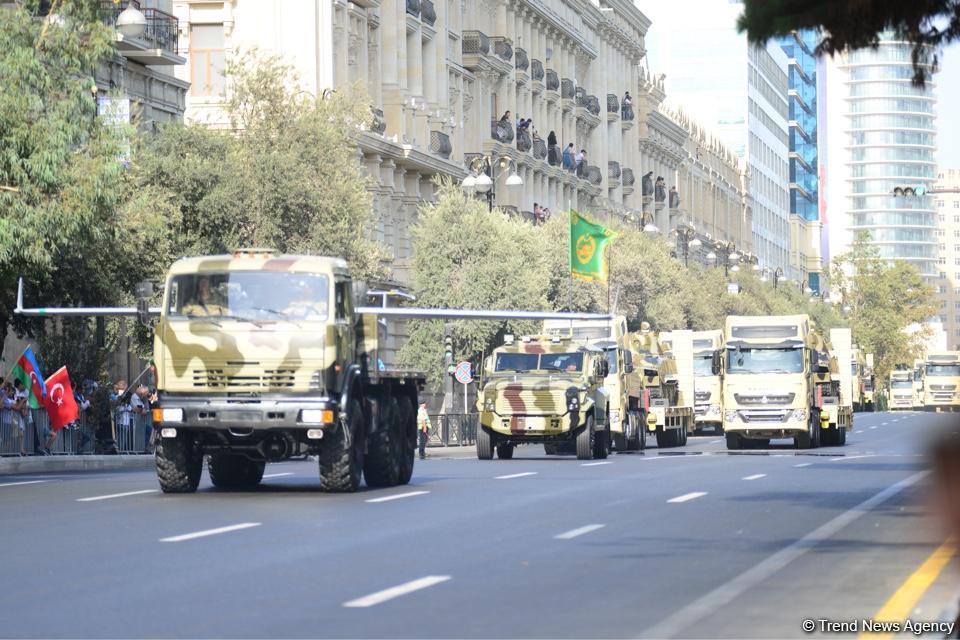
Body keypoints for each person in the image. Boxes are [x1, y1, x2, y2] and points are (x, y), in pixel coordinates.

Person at [3, 381, 26, 456]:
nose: (12, 393)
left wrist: (21, 402)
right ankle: (4, 453)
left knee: (11, 439)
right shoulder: (7, 400)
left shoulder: (11, 400)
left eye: (13, 391)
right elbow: (17, 408)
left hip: (10, 423)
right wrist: (23, 401)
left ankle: (8, 452)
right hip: (5, 422)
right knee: (6, 440)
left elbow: (20, 406)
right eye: (11, 391)